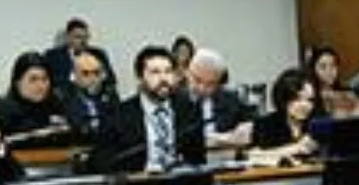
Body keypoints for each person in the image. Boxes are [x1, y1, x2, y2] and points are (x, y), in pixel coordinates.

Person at [91, 45, 206, 175]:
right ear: (140, 77)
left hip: (181, 183)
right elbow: (102, 162)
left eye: (168, 71)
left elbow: (198, 160)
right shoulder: (118, 114)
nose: (163, 79)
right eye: (155, 72)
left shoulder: (189, 110)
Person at [184, 48, 254, 151]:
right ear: (188, 73)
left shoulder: (231, 99)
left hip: (225, 158)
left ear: (219, 83)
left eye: (210, 84)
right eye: (197, 80)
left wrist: (247, 129)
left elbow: (251, 125)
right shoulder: (174, 99)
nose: (202, 88)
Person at [247, 68, 321, 166]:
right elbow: (254, 156)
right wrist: (296, 148)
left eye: (309, 100)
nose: (304, 105)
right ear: (284, 99)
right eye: (297, 99)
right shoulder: (266, 124)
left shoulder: (318, 123)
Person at [0, 52, 73, 146]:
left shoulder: (56, 105)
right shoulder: (4, 111)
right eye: (33, 80)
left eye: (44, 79)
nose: (41, 86)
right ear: (17, 83)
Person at [60, 49, 119, 144]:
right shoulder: (63, 97)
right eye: (85, 73)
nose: (93, 79)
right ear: (73, 77)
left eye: (96, 73)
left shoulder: (110, 95)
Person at [42, 17, 113, 93]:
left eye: (86, 37)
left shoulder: (98, 54)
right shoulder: (53, 56)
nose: (83, 41)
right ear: (68, 37)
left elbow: (111, 80)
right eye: (78, 37)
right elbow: (48, 81)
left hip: (93, 98)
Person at [307, 45, 359, 118]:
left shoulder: (348, 93)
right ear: (313, 69)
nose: (329, 71)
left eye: (333, 65)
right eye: (323, 67)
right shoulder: (310, 97)